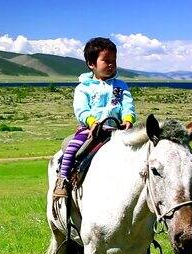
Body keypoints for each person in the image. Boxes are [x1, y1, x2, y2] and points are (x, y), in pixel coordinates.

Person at [53, 37, 137, 199]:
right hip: (91, 129)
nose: (111, 64)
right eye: (106, 60)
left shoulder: (121, 85)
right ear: (91, 64)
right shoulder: (83, 88)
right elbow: (81, 110)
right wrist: (92, 122)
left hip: (117, 129)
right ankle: (62, 180)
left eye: (114, 60)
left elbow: (128, 104)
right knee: (72, 149)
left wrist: (128, 119)